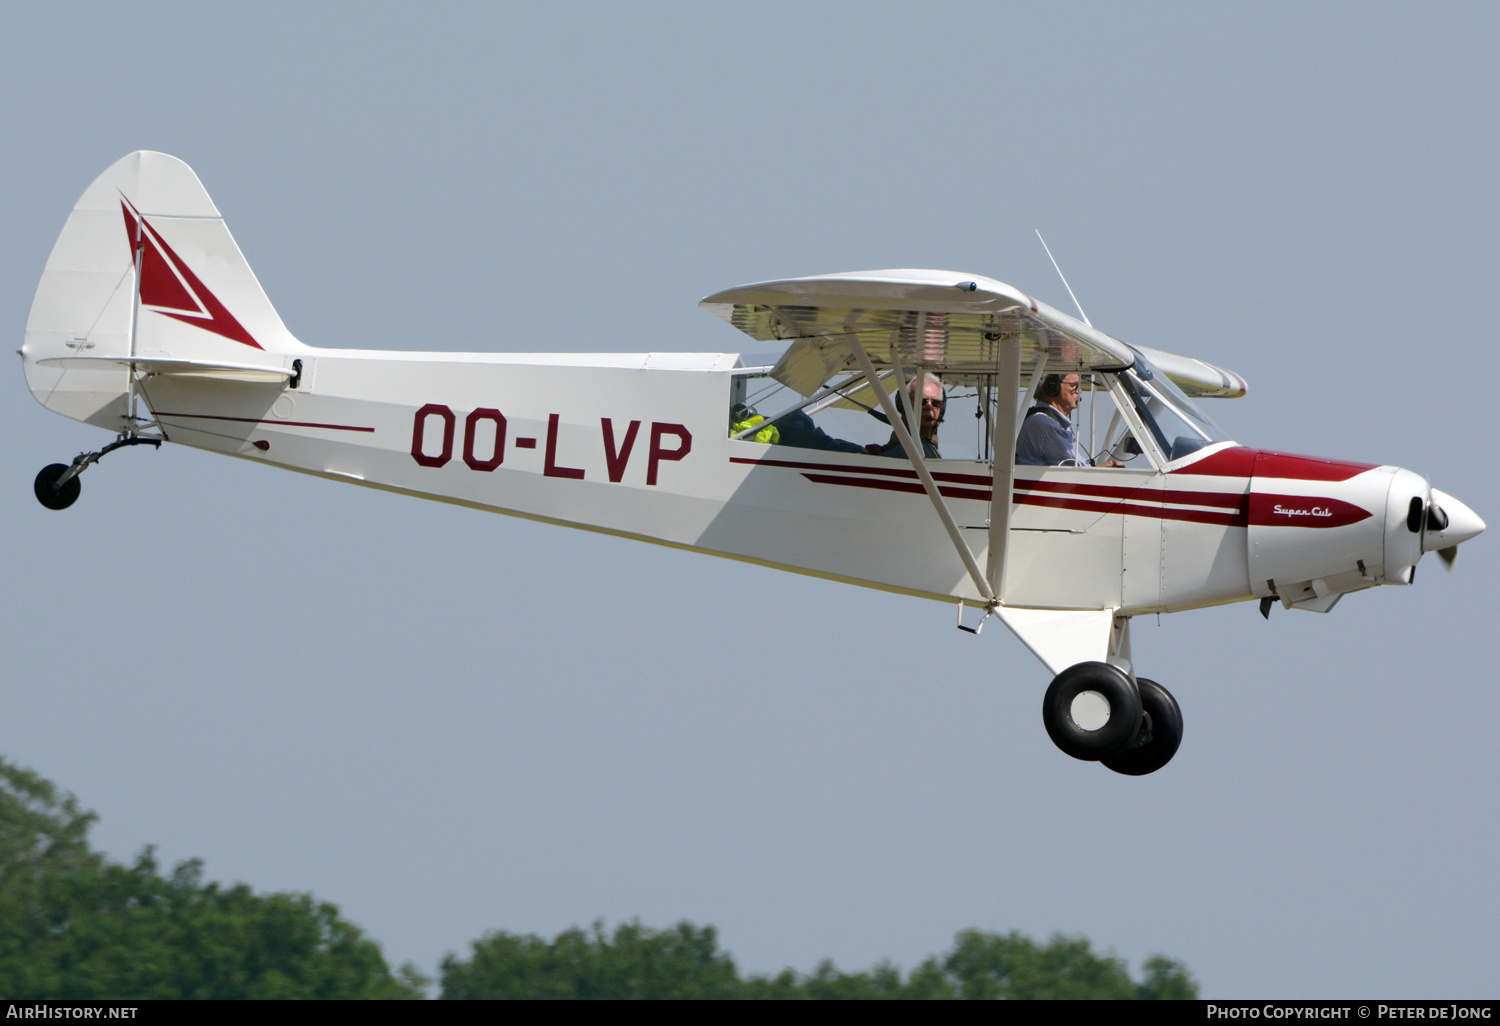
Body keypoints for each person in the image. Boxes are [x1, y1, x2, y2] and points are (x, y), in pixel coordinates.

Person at [1015, 373, 1120, 467]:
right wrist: (1105, 467)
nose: (1080, 390)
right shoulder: (1043, 424)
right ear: (1052, 388)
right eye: (1073, 385)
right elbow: (1074, 470)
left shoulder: (1053, 421)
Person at [877, 375, 944, 460]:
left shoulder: (928, 447)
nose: (929, 407)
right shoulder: (909, 447)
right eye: (922, 401)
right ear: (903, 405)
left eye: (935, 403)